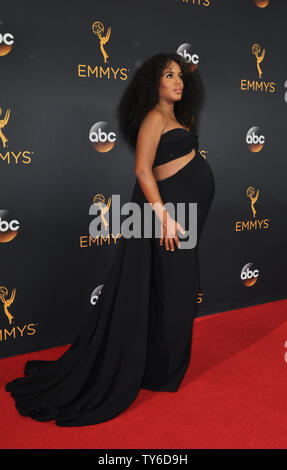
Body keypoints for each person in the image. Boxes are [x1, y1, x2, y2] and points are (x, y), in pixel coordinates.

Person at [5, 52, 215, 427]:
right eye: (169, 75)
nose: (178, 81)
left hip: (187, 218)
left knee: (175, 291)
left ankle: (159, 368)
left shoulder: (177, 116)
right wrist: (164, 217)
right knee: (172, 292)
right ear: (154, 82)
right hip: (168, 218)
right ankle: (158, 371)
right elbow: (142, 170)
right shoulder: (153, 118)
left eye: (180, 76)